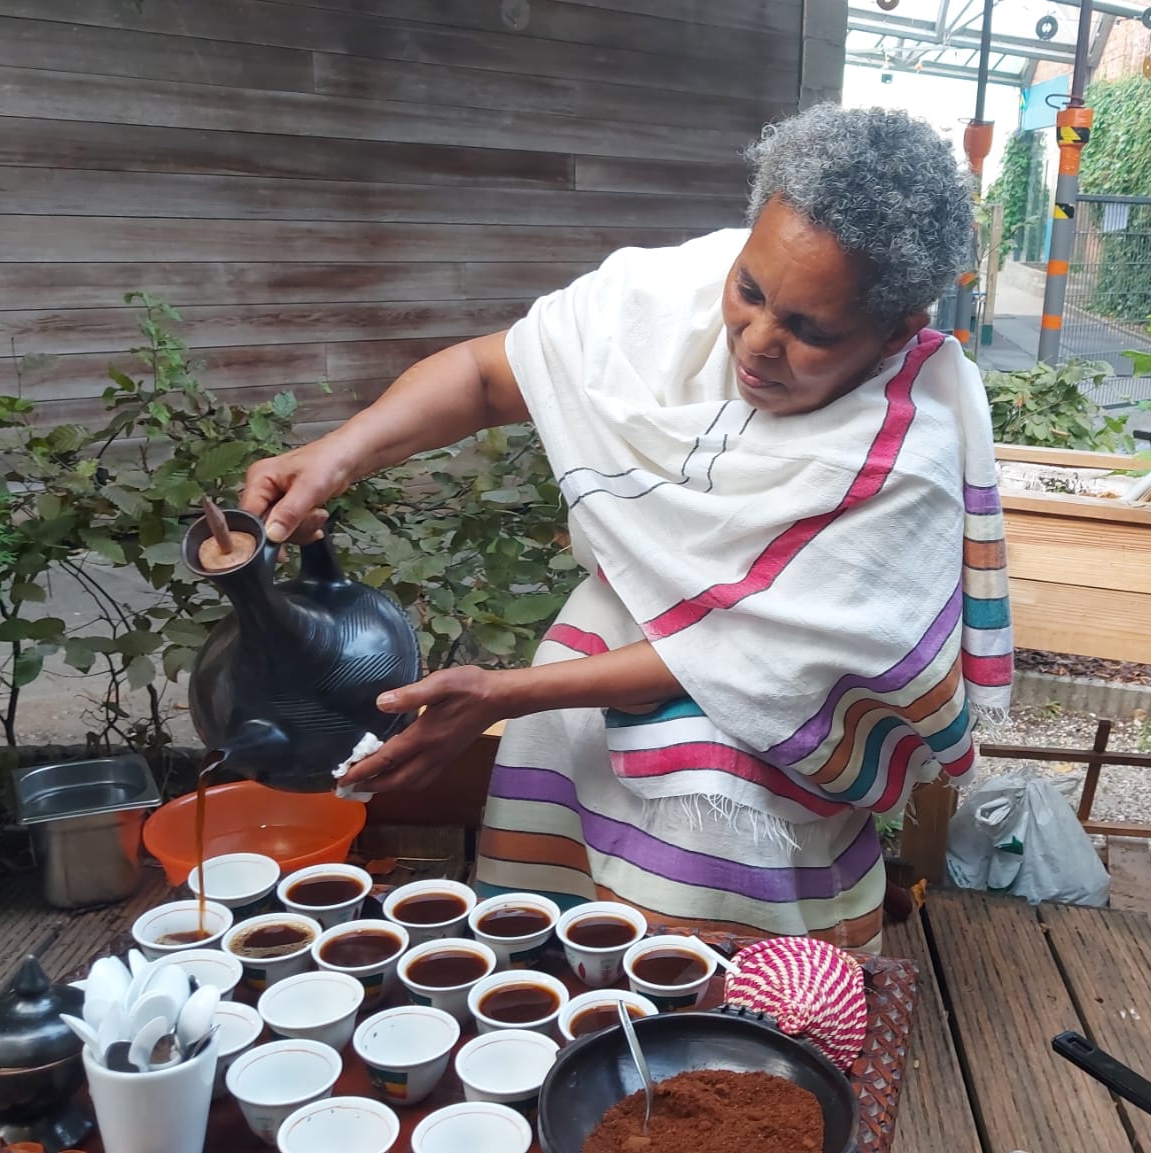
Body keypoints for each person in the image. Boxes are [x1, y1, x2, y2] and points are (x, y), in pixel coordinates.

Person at [242, 104, 1010, 951]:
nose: (756, 341)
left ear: (898, 327)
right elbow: (488, 375)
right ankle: (555, 982)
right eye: (749, 291)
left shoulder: (912, 446)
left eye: (809, 330)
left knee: (703, 787)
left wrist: (498, 694)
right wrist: (337, 455)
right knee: (560, 785)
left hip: (777, 722)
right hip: (615, 639)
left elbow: (757, 664)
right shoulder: (670, 292)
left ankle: (731, 1005)